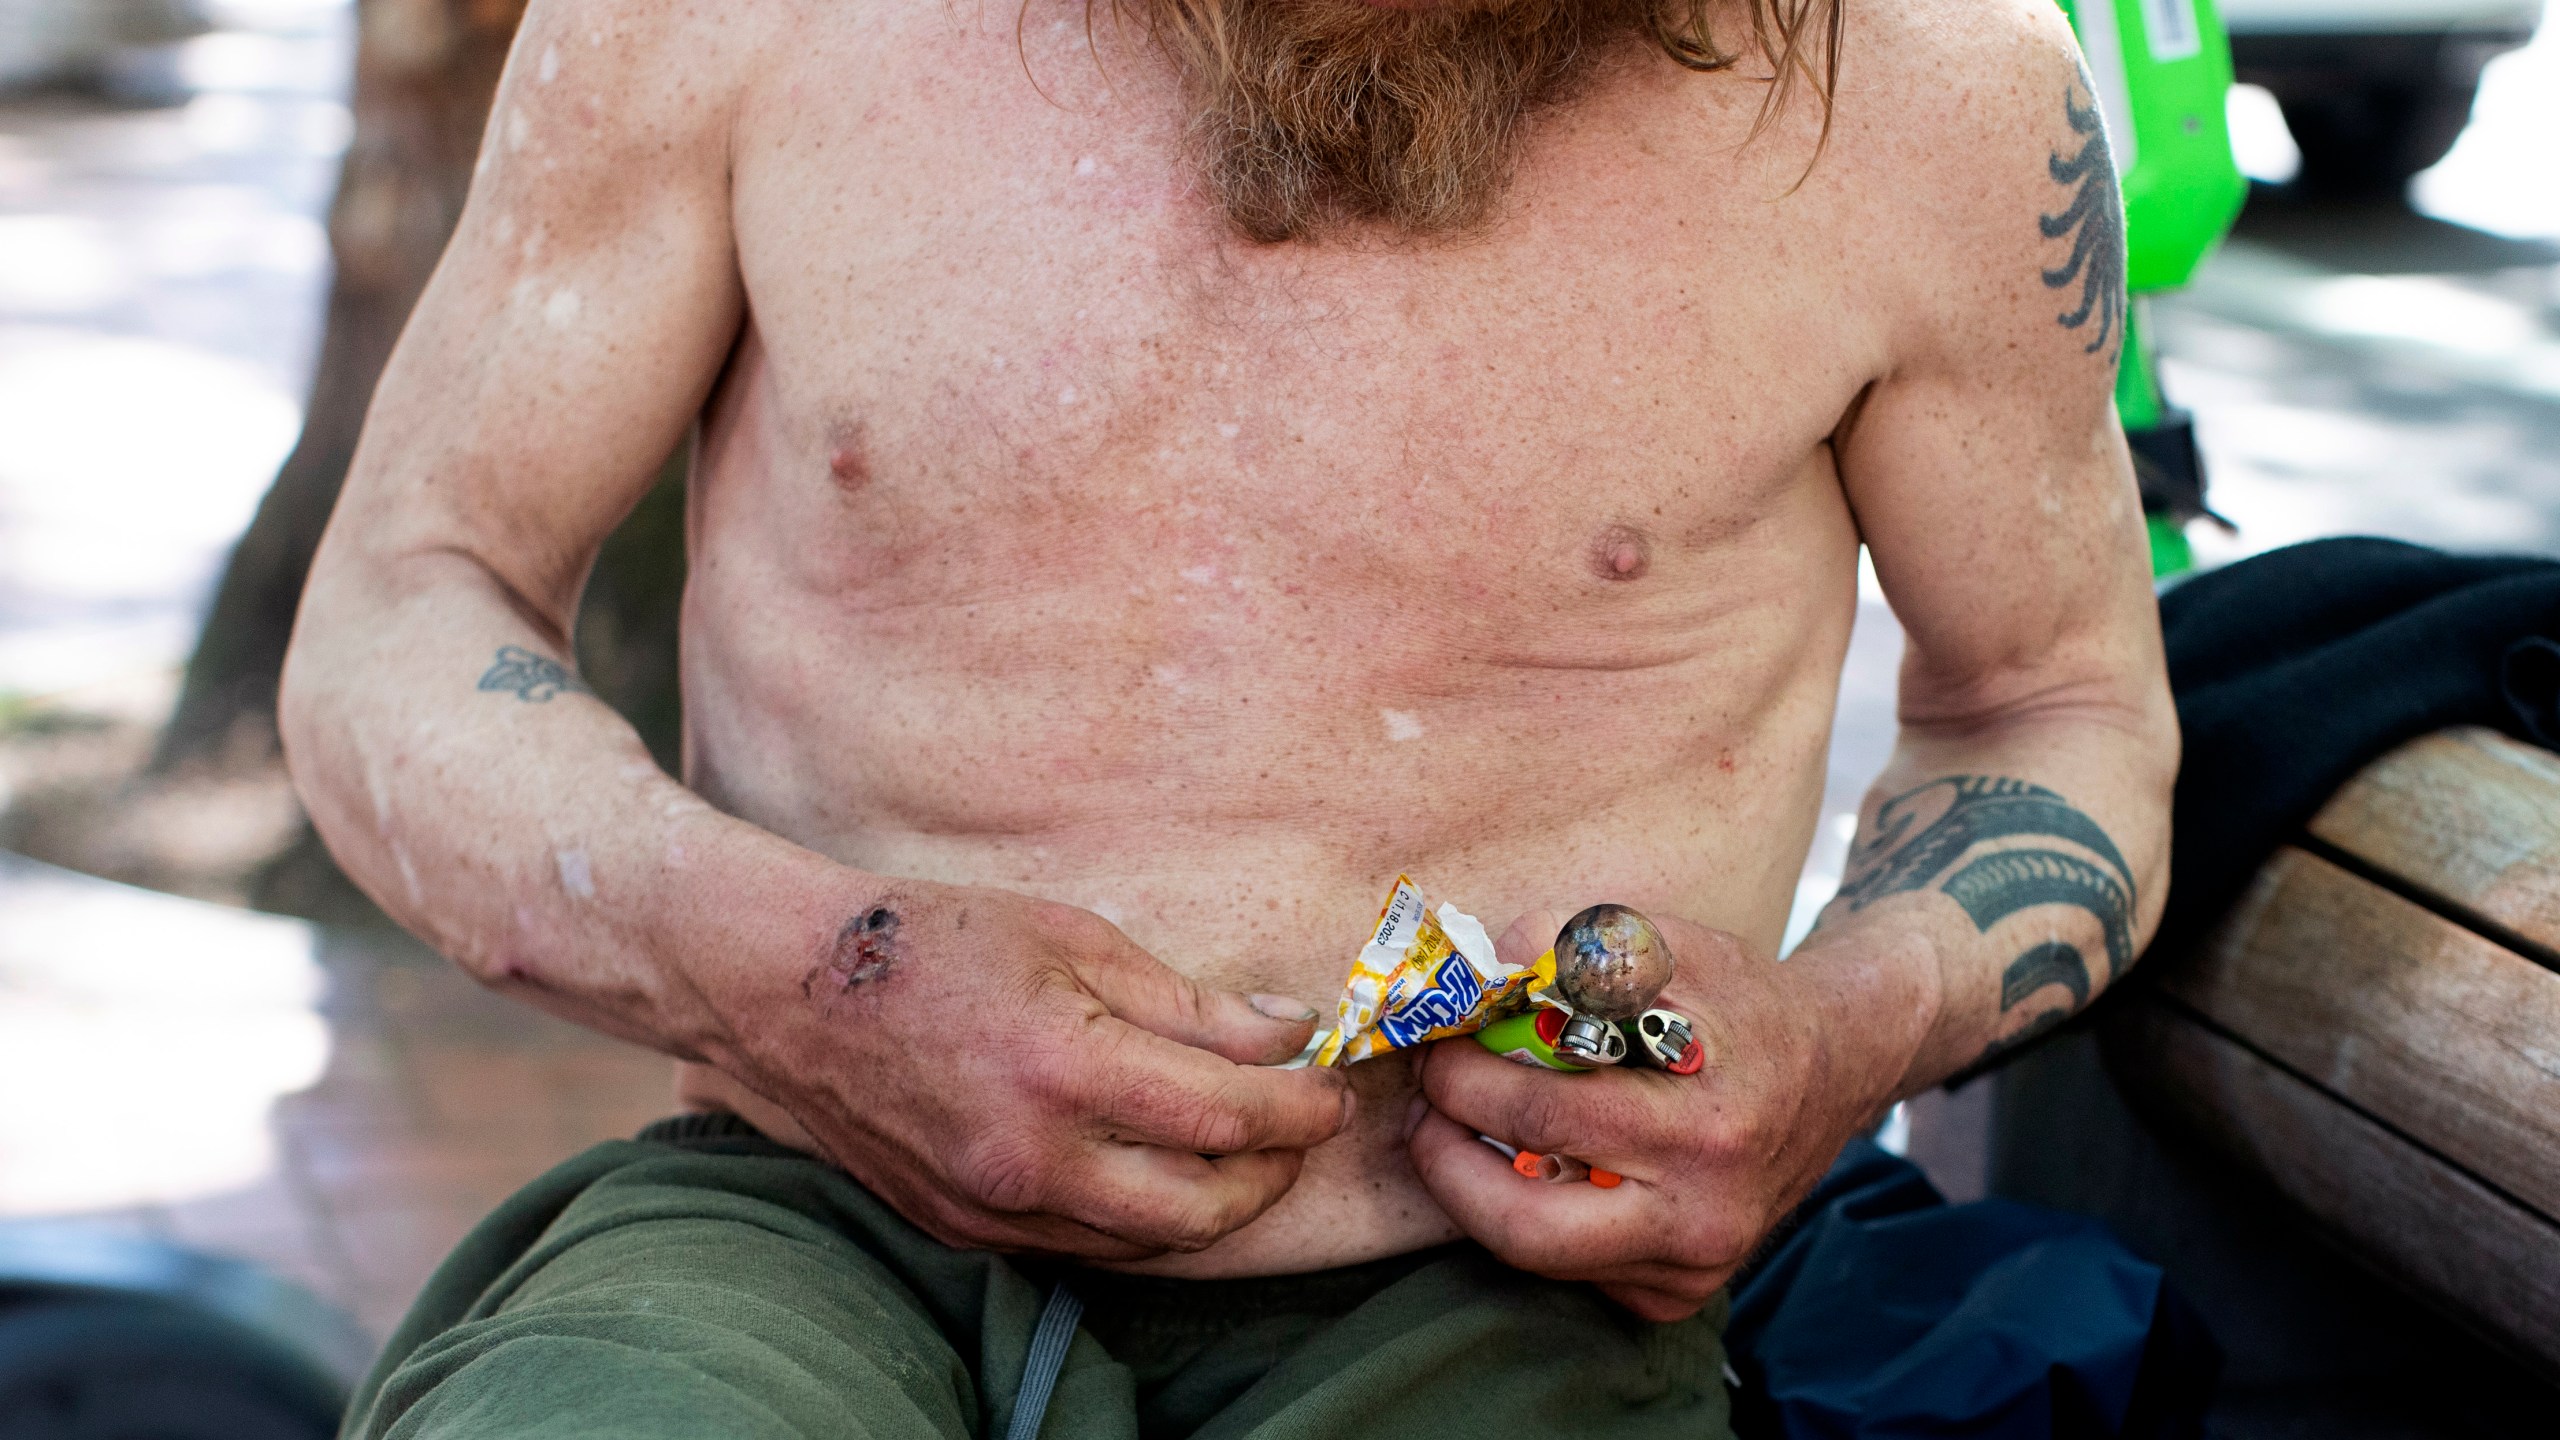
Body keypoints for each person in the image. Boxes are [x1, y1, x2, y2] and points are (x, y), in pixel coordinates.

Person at [280, 0, 2176, 1430]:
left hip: (1503, 1287)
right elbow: (404, 601)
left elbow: (2058, 707)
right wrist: (804, 979)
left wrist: (1843, 1031)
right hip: (791, 1219)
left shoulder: (1931, 86)